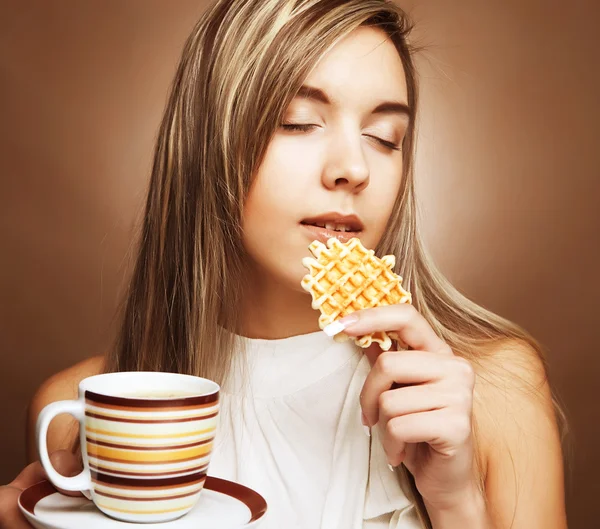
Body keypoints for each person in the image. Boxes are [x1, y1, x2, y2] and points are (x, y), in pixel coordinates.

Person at [0, 1, 567, 528]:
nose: (354, 168)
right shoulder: (78, 410)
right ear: (208, 143)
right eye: (298, 121)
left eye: (385, 137)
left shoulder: (490, 391)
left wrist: (457, 503)